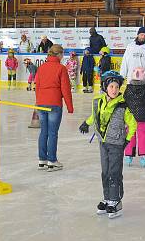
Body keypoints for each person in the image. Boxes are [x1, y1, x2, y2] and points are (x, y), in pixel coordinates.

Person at [79, 71, 136, 219]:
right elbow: (95, 116)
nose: (114, 89)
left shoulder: (123, 105)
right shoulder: (99, 101)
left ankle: (116, 201)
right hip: (103, 142)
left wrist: (127, 140)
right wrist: (86, 123)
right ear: (105, 87)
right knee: (105, 172)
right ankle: (107, 197)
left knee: (114, 172)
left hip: (117, 143)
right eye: (111, 86)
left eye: (116, 87)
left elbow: (132, 123)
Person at [35, 44, 74, 172]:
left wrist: (38, 102)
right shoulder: (61, 68)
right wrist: (70, 106)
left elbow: (38, 86)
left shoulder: (41, 67)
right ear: (59, 54)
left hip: (41, 103)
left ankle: (42, 160)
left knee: (44, 132)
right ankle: (52, 160)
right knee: (52, 133)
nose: (63, 57)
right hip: (54, 104)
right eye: (62, 54)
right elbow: (65, 89)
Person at [123, 66, 145, 167]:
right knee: (143, 137)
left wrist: (123, 116)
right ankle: (144, 158)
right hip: (143, 117)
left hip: (130, 117)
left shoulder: (128, 89)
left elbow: (124, 102)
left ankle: (128, 156)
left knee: (130, 136)